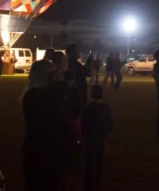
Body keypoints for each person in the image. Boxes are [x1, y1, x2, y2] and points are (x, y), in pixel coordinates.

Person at [22, 60, 71, 191]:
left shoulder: (33, 94)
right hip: (43, 152)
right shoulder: (35, 95)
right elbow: (55, 111)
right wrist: (60, 85)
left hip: (38, 150)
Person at [81, 84, 113, 191]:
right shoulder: (106, 109)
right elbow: (110, 125)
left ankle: (89, 186)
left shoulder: (87, 109)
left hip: (90, 140)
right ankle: (97, 185)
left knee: (89, 165)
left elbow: (83, 125)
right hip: (101, 139)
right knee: (99, 163)